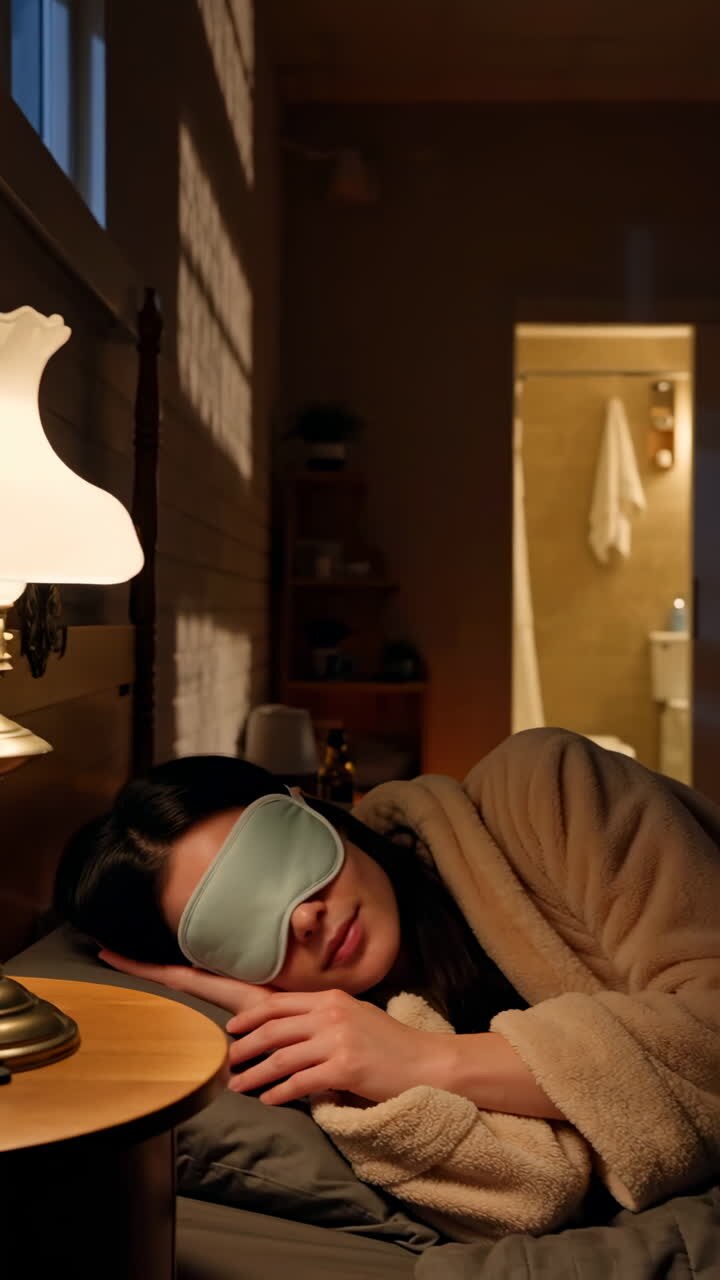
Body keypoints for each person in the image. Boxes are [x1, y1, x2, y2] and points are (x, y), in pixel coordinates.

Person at [54, 726, 720, 1241]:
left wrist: (431, 1060)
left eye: (279, 861)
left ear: (310, 806)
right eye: (242, 929)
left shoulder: (548, 785)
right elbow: (534, 1193)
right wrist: (344, 1058)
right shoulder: (364, 1033)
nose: (305, 917)